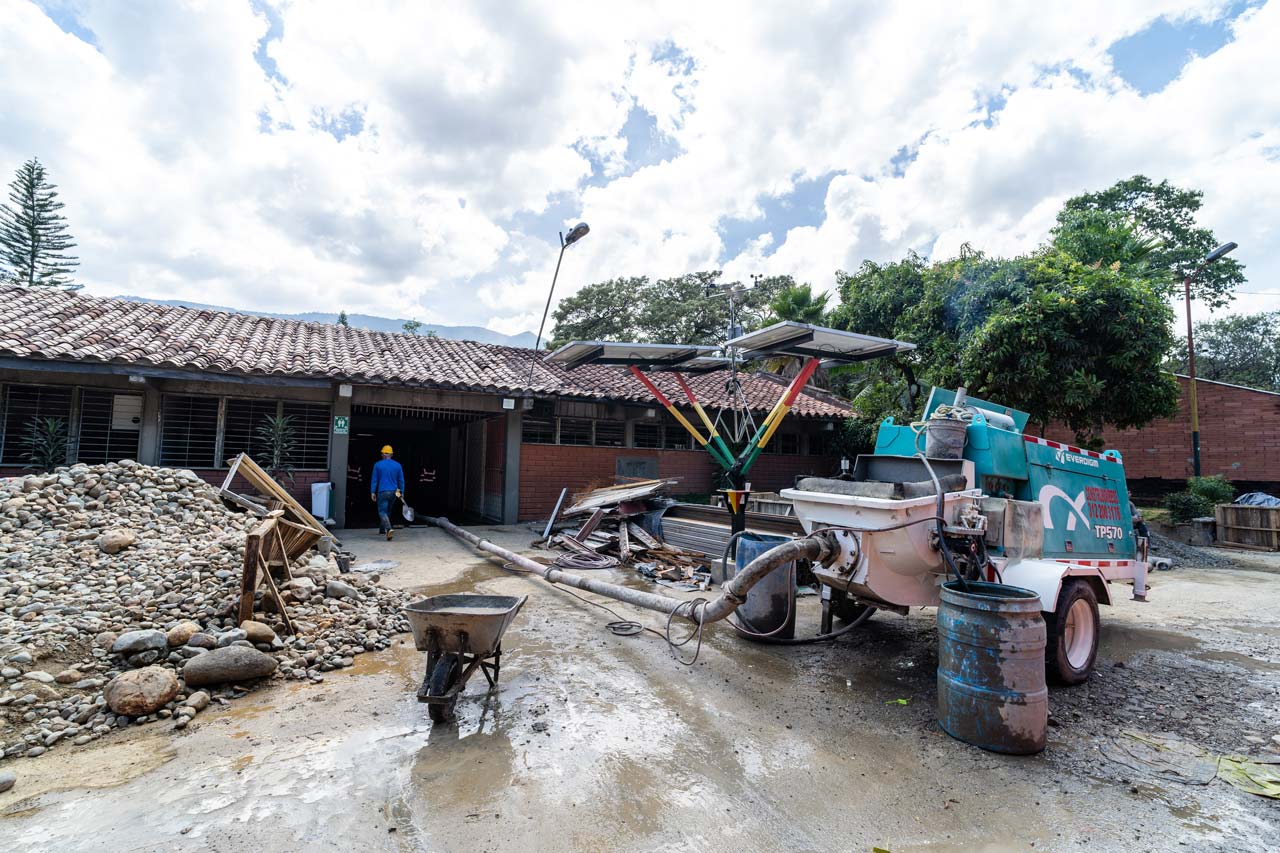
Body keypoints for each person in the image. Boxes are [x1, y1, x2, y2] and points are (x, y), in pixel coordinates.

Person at [370, 445, 405, 540]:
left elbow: (374, 480)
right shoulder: (398, 465)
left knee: (382, 512)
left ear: (384, 454)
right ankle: (382, 529)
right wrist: (402, 492)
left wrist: (372, 492)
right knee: (387, 511)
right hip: (394, 492)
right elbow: (401, 480)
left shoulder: (377, 465)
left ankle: (388, 529)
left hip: (383, 491)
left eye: (382, 453)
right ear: (391, 454)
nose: (381, 455)